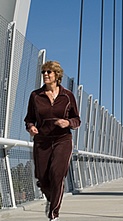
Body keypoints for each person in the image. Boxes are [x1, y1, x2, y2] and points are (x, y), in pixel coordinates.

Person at [24, 61, 81, 221]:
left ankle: (54, 213)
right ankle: (53, 199)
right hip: (42, 140)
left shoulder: (67, 95)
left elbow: (77, 118)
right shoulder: (35, 96)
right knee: (42, 179)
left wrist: (68, 123)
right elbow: (29, 118)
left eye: (49, 72)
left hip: (63, 139)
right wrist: (30, 127)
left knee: (57, 174)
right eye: (43, 72)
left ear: (57, 75)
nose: (45, 75)